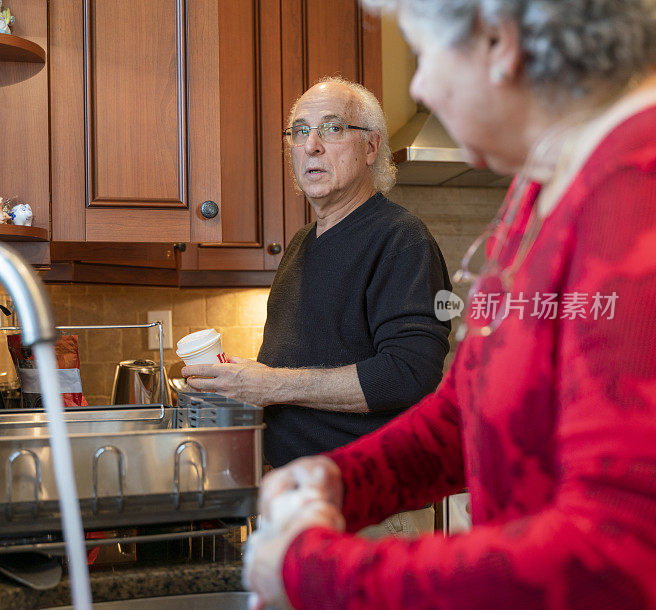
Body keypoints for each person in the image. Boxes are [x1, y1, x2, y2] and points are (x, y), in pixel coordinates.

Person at [243, 0, 656, 608]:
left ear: (498, 41)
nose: (420, 85)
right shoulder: (539, 187)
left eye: (424, 52)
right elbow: (465, 414)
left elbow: (612, 555)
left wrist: (318, 569)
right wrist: (344, 480)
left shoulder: (634, 194)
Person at [182, 77, 452, 535]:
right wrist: (242, 384)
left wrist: (272, 386)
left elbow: (409, 375)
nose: (311, 146)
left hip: (368, 513)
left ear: (371, 147)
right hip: (301, 504)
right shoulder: (302, 243)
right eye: (299, 131)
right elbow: (297, 368)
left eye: (331, 128)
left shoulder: (399, 239)